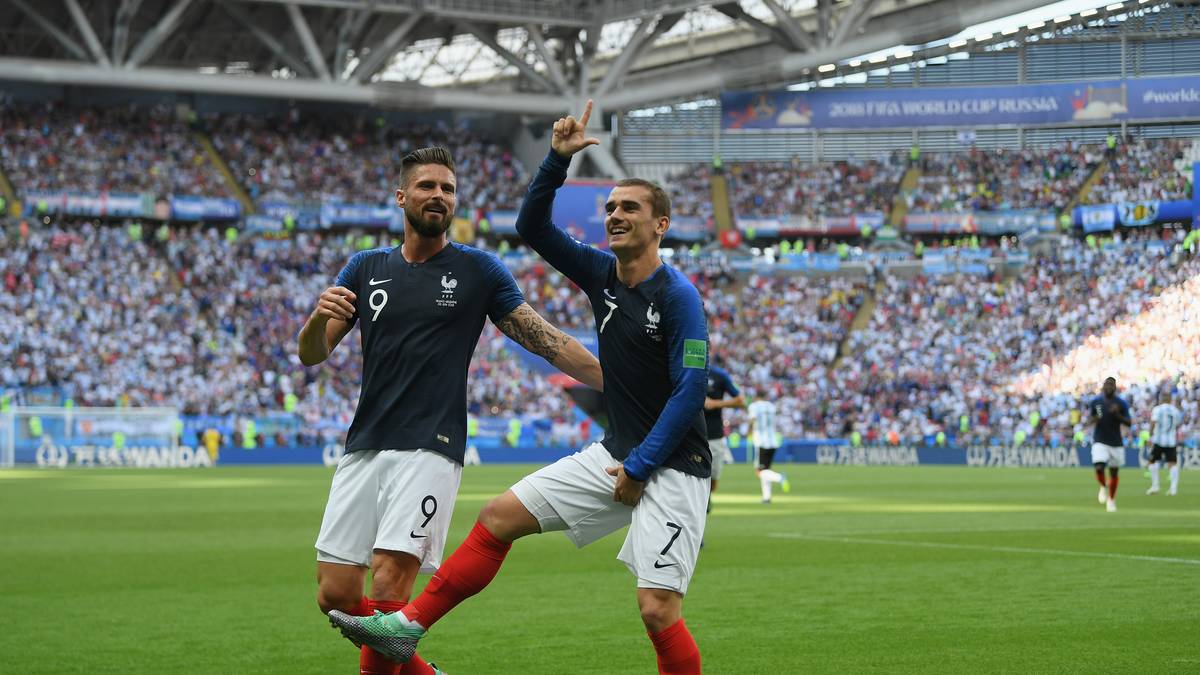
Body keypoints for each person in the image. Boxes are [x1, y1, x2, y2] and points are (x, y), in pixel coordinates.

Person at [329, 101, 711, 674]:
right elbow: (532, 227)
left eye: (629, 207)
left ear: (660, 224)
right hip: (617, 456)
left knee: (656, 610)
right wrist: (555, 160)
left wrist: (641, 466)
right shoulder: (600, 273)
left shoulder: (679, 296)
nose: (614, 215)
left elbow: (690, 390)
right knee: (499, 517)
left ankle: (403, 630)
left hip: (673, 464)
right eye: (609, 207)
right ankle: (406, 629)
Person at [300, 146, 602, 675]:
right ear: (401, 197)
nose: (439, 195)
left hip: (431, 448)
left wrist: (622, 382)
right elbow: (313, 353)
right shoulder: (366, 267)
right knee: (336, 595)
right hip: (365, 443)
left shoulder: (478, 269)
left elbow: (546, 340)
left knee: (390, 588)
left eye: (448, 188)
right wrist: (312, 320)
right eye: (427, 186)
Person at [704, 359, 745, 505]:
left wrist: (716, 404)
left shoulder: (719, 375)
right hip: (689, 434)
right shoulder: (683, 370)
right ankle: (700, 500)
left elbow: (740, 400)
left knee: (714, 478)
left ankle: (706, 495)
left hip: (714, 436)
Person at [1088, 377, 1131, 513]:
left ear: (1115, 387)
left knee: (1114, 472)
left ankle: (1111, 500)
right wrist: (1095, 419)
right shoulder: (1096, 402)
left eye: (1111, 385)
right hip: (1100, 440)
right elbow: (1090, 419)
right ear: (1103, 386)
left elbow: (1129, 423)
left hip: (1116, 442)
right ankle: (1102, 486)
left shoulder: (1121, 403)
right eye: (1106, 384)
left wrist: (1117, 414)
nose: (1108, 387)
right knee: (1099, 467)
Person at [747, 393, 788, 503]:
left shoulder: (754, 406)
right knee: (766, 469)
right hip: (773, 441)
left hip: (761, 441)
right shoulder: (771, 406)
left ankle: (780, 477)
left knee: (759, 471)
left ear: (756, 397)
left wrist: (748, 431)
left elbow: (752, 419)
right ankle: (767, 497)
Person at [1147, 391, 1183, 496]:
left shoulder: (1158, 409)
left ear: (1161, 399)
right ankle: (1173, 489)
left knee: (1152, 461)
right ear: (1170, 399)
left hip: (1158, 440)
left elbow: (1153, 422)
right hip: (1171, 441)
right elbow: (1177, 424)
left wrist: (1150, 436)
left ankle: (1155, 486)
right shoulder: (1175, 410)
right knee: (1172, 464)